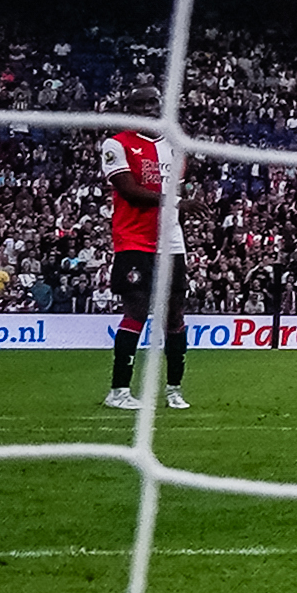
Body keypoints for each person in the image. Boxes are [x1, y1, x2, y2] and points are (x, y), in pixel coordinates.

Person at [99, 118, 189, 412]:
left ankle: (174, 390)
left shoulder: (176, 148)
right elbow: (128, 191)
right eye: (140, 105)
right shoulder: (117, 144)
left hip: (171, 243)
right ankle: (119, 390)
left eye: (152, 104)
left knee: (174, 314)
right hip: (134, 241)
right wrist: (175, 202)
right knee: (137, 310)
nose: (147, 110)